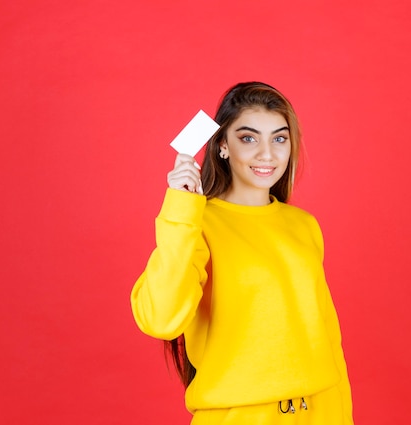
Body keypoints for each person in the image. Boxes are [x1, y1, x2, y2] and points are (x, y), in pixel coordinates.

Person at [131, 82, 353, 424]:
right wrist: (181, 207)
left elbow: (328, 340)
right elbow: (160, 318)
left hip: (318, 413)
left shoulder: (303, 226)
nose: (267, 154)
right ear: (222, 146)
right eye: (248, 138)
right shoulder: (196, 222)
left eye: (279, 138)